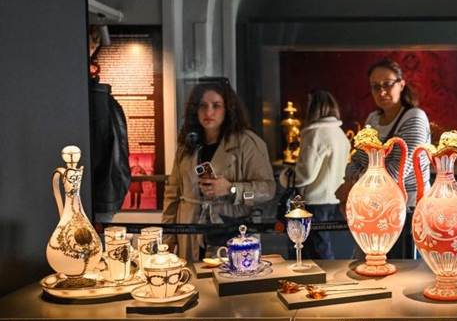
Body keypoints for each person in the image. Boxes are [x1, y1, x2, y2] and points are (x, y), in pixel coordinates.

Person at [161, 77, 276, 261]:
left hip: (230, 231)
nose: (208, 112)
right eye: (202, 105)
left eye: (216, 105)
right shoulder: (187, 145)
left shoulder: (248, 143)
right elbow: (172, 195)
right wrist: (168, 239)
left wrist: (232, 189)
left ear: (228, 109)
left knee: (227, 283)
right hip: (190, 232)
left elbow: (267, 190)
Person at [336, 59, 431, 259]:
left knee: (402, 271)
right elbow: (355, 162)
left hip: (407, 208)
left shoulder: (414, 117)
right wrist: (356, 177)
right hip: (374, 208)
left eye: (388, 84)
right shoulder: (373, 119)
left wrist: (354, 182)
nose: (382, 91)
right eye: (375, 87)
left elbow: (397, 171)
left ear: (401, 84)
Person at [279, 89, 351, 259]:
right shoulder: (340, 134)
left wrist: (286, 176)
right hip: (334, 199)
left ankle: (318, 282)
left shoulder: (315, 134)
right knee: (325, 245)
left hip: (315, 200)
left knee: (313, 248)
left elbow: (306, 174)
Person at [88, 25, 131, 226]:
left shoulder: (100, 98)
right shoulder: (100, 98)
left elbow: (102, 153)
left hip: (99, 197)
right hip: (101, 197)